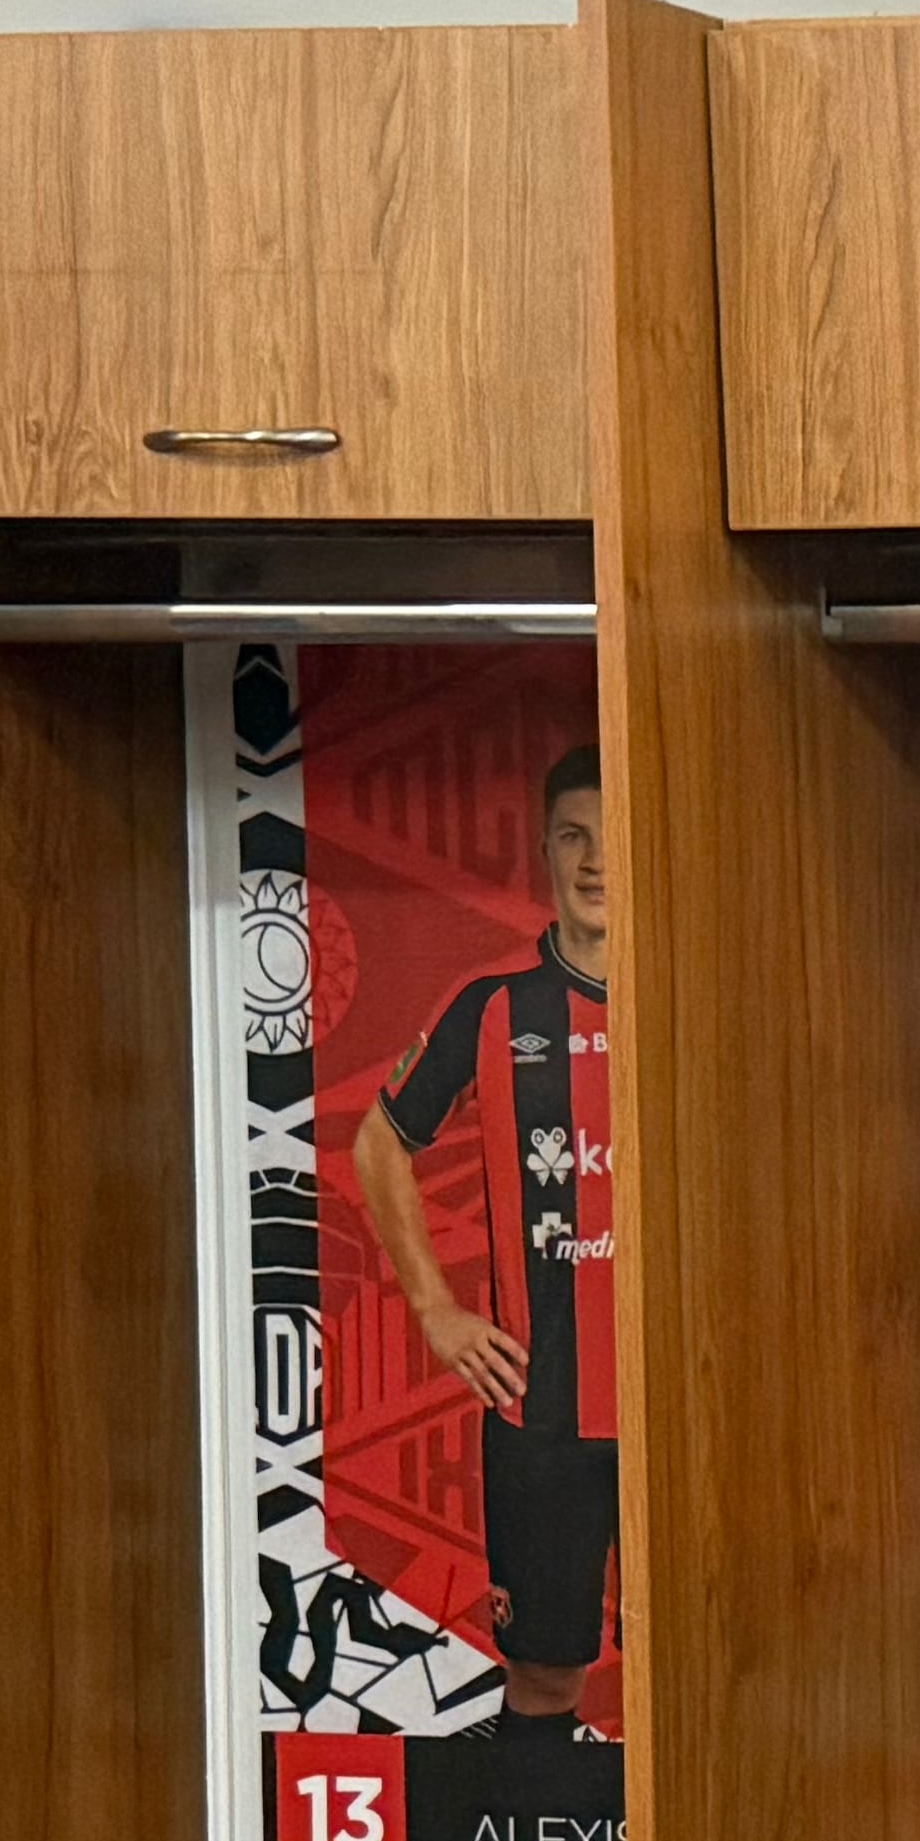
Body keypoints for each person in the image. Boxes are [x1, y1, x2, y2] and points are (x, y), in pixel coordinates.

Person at [352, 742, 618, 1752]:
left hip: (685, 1401)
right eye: (571, 837)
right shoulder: (494, 1006)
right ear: (544, 853)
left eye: (612, 838)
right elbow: (379, 1141)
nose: (594, 862)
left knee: (712, 1660)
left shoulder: (698, 997)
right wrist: (434, 1308)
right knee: (546, 1677)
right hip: (540, 1409)